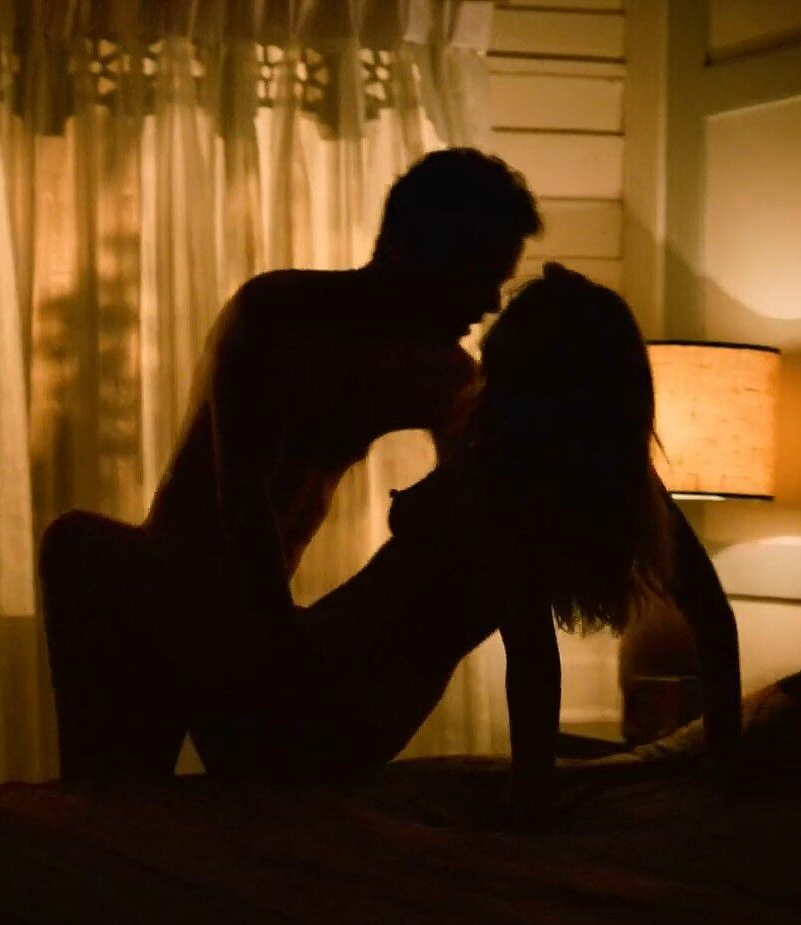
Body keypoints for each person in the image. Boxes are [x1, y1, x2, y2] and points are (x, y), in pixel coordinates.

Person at [43, 264, 743, 819]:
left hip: (303, 712)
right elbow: (712, 619)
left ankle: (97, 817)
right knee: (130, 585)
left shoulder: (502, 485)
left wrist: (534, 801)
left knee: (82, 550)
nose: (483, 385)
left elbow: (532, 657)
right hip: (331, 713)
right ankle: (108, 811)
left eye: (500, 374)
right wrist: (727, 758)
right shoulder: (618, 490)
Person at [42, 149, 542, 786]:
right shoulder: (279, 313)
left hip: (250, 631)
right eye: (480, 274)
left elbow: (477, 510)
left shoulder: (440, 374)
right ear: (416, 251)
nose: (491, 301)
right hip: (170, 597)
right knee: (79, 554)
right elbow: (241, 497)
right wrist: (283, 653)